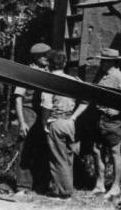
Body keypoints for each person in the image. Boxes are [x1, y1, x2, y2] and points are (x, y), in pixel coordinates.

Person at [41, 50, 88, 199]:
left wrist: (44, 123)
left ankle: (63, 191)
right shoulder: (73, 80)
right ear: (65, 63)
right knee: (68, 157)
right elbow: (86, 100)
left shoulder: (48, 81)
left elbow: (47, 105)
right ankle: (67, 187)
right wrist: (74, 117)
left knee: (58, 158)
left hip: (56, 121)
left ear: (49, 64)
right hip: (69, 122)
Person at [91, 48, 121, 199]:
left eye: (103, 60)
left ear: (110, 62)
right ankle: (100, 184)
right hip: (100, 118)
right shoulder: (103, 75)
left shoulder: (120, 77)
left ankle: (116, 187)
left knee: (115, 151)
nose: (101, 63)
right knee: (96, 150)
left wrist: (120, 112)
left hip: (113, 121)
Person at [13, 42, 51, 198]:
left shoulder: (48, 72)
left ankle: (41, 185)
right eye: (43, 56)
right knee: (25, 148)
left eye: (47, 56)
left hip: (43, 114)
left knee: (43, 148)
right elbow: (18, 98)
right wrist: (22, 122)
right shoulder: (27, 72)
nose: (47, 59)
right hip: (29, 113)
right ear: (35, 57)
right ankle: (22, 186)